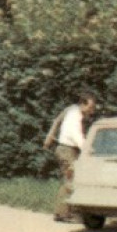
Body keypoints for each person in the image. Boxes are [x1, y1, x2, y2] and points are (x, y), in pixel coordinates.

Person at [43, 91, 97, 222]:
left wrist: (49, 136)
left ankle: (60, 212)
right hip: (67, 150)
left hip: (66, 149)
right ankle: (67, 214)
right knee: (71, 179)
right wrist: (88, 151)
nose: (92, 111)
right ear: (82, 104)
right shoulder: (75, 117)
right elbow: (77, 137)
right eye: (90, 107)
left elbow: (57, 120)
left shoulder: (72, 109)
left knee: (68, 179)